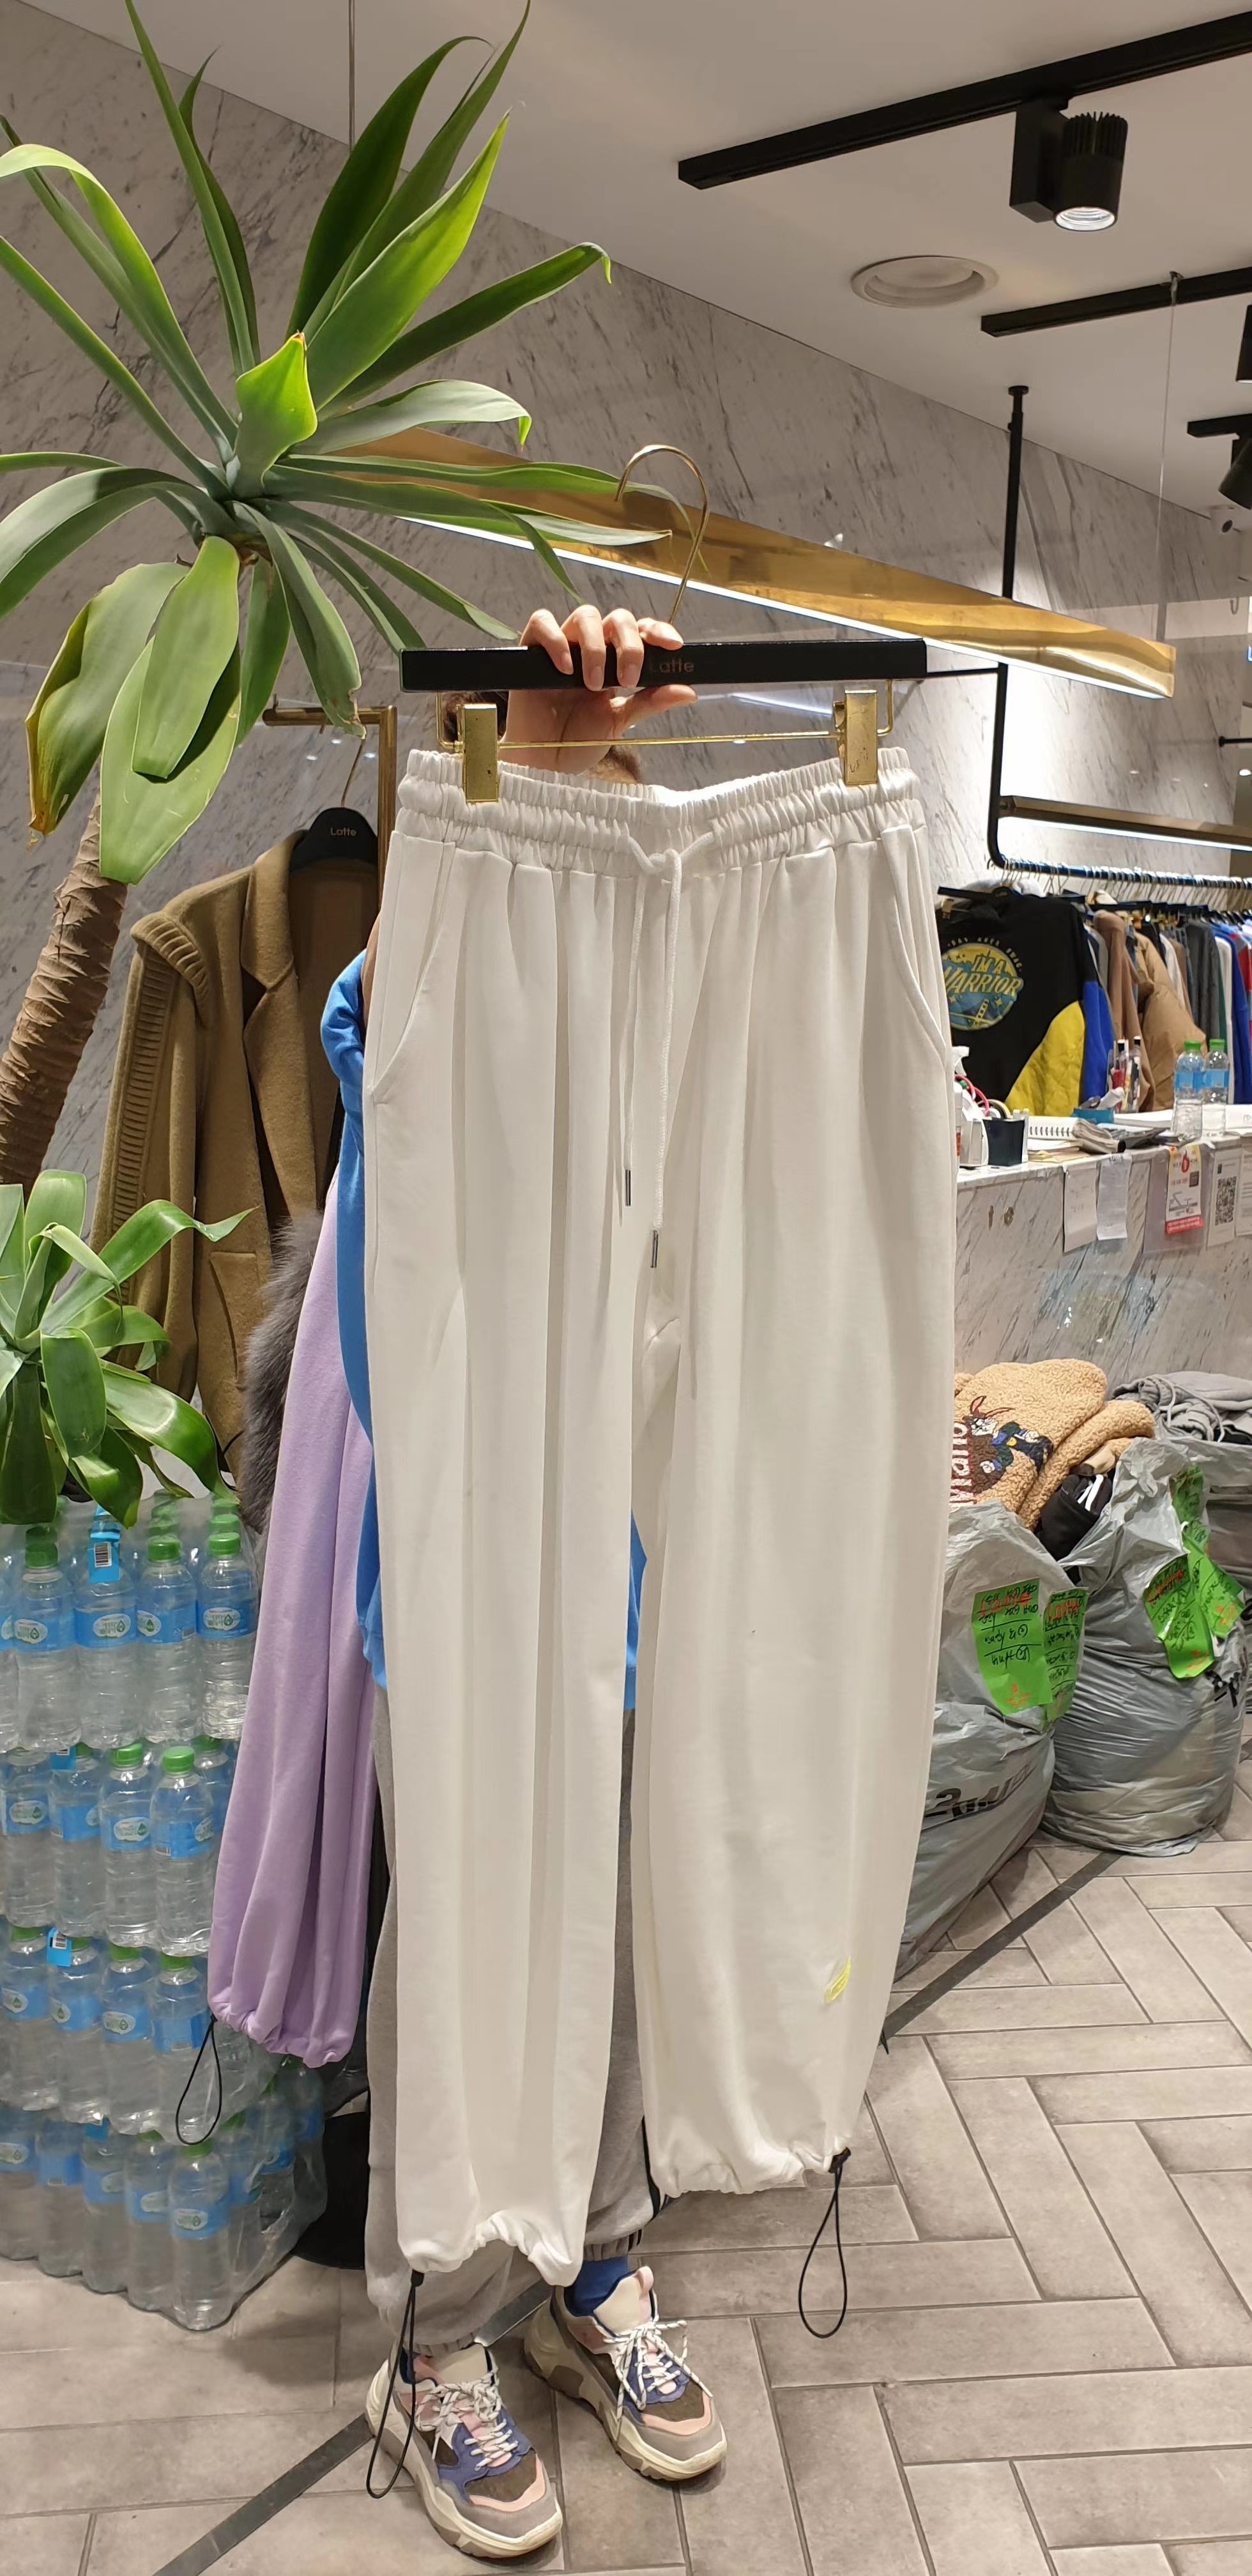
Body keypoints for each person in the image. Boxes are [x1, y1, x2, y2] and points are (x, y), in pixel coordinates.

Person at [326, 604, 726, 2563]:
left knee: (622, 1945)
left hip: (650, 1598)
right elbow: (403, 1018)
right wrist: (540, 754)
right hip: (475, 1603)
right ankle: (437, 2343)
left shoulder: (688, 1058)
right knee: (474, 1958)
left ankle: (593, 2259)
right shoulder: (423, 1024)